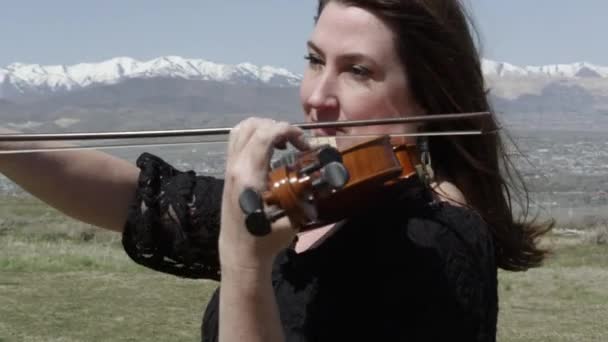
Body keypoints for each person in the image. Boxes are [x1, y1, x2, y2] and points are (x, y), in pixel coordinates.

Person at [0, 0, 553, 341]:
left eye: (357, 71)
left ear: (427, 98)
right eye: (315, 61)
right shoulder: (315, 197)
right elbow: (137, 198)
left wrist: (245, 267)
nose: (317, 97)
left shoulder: (440, 245)